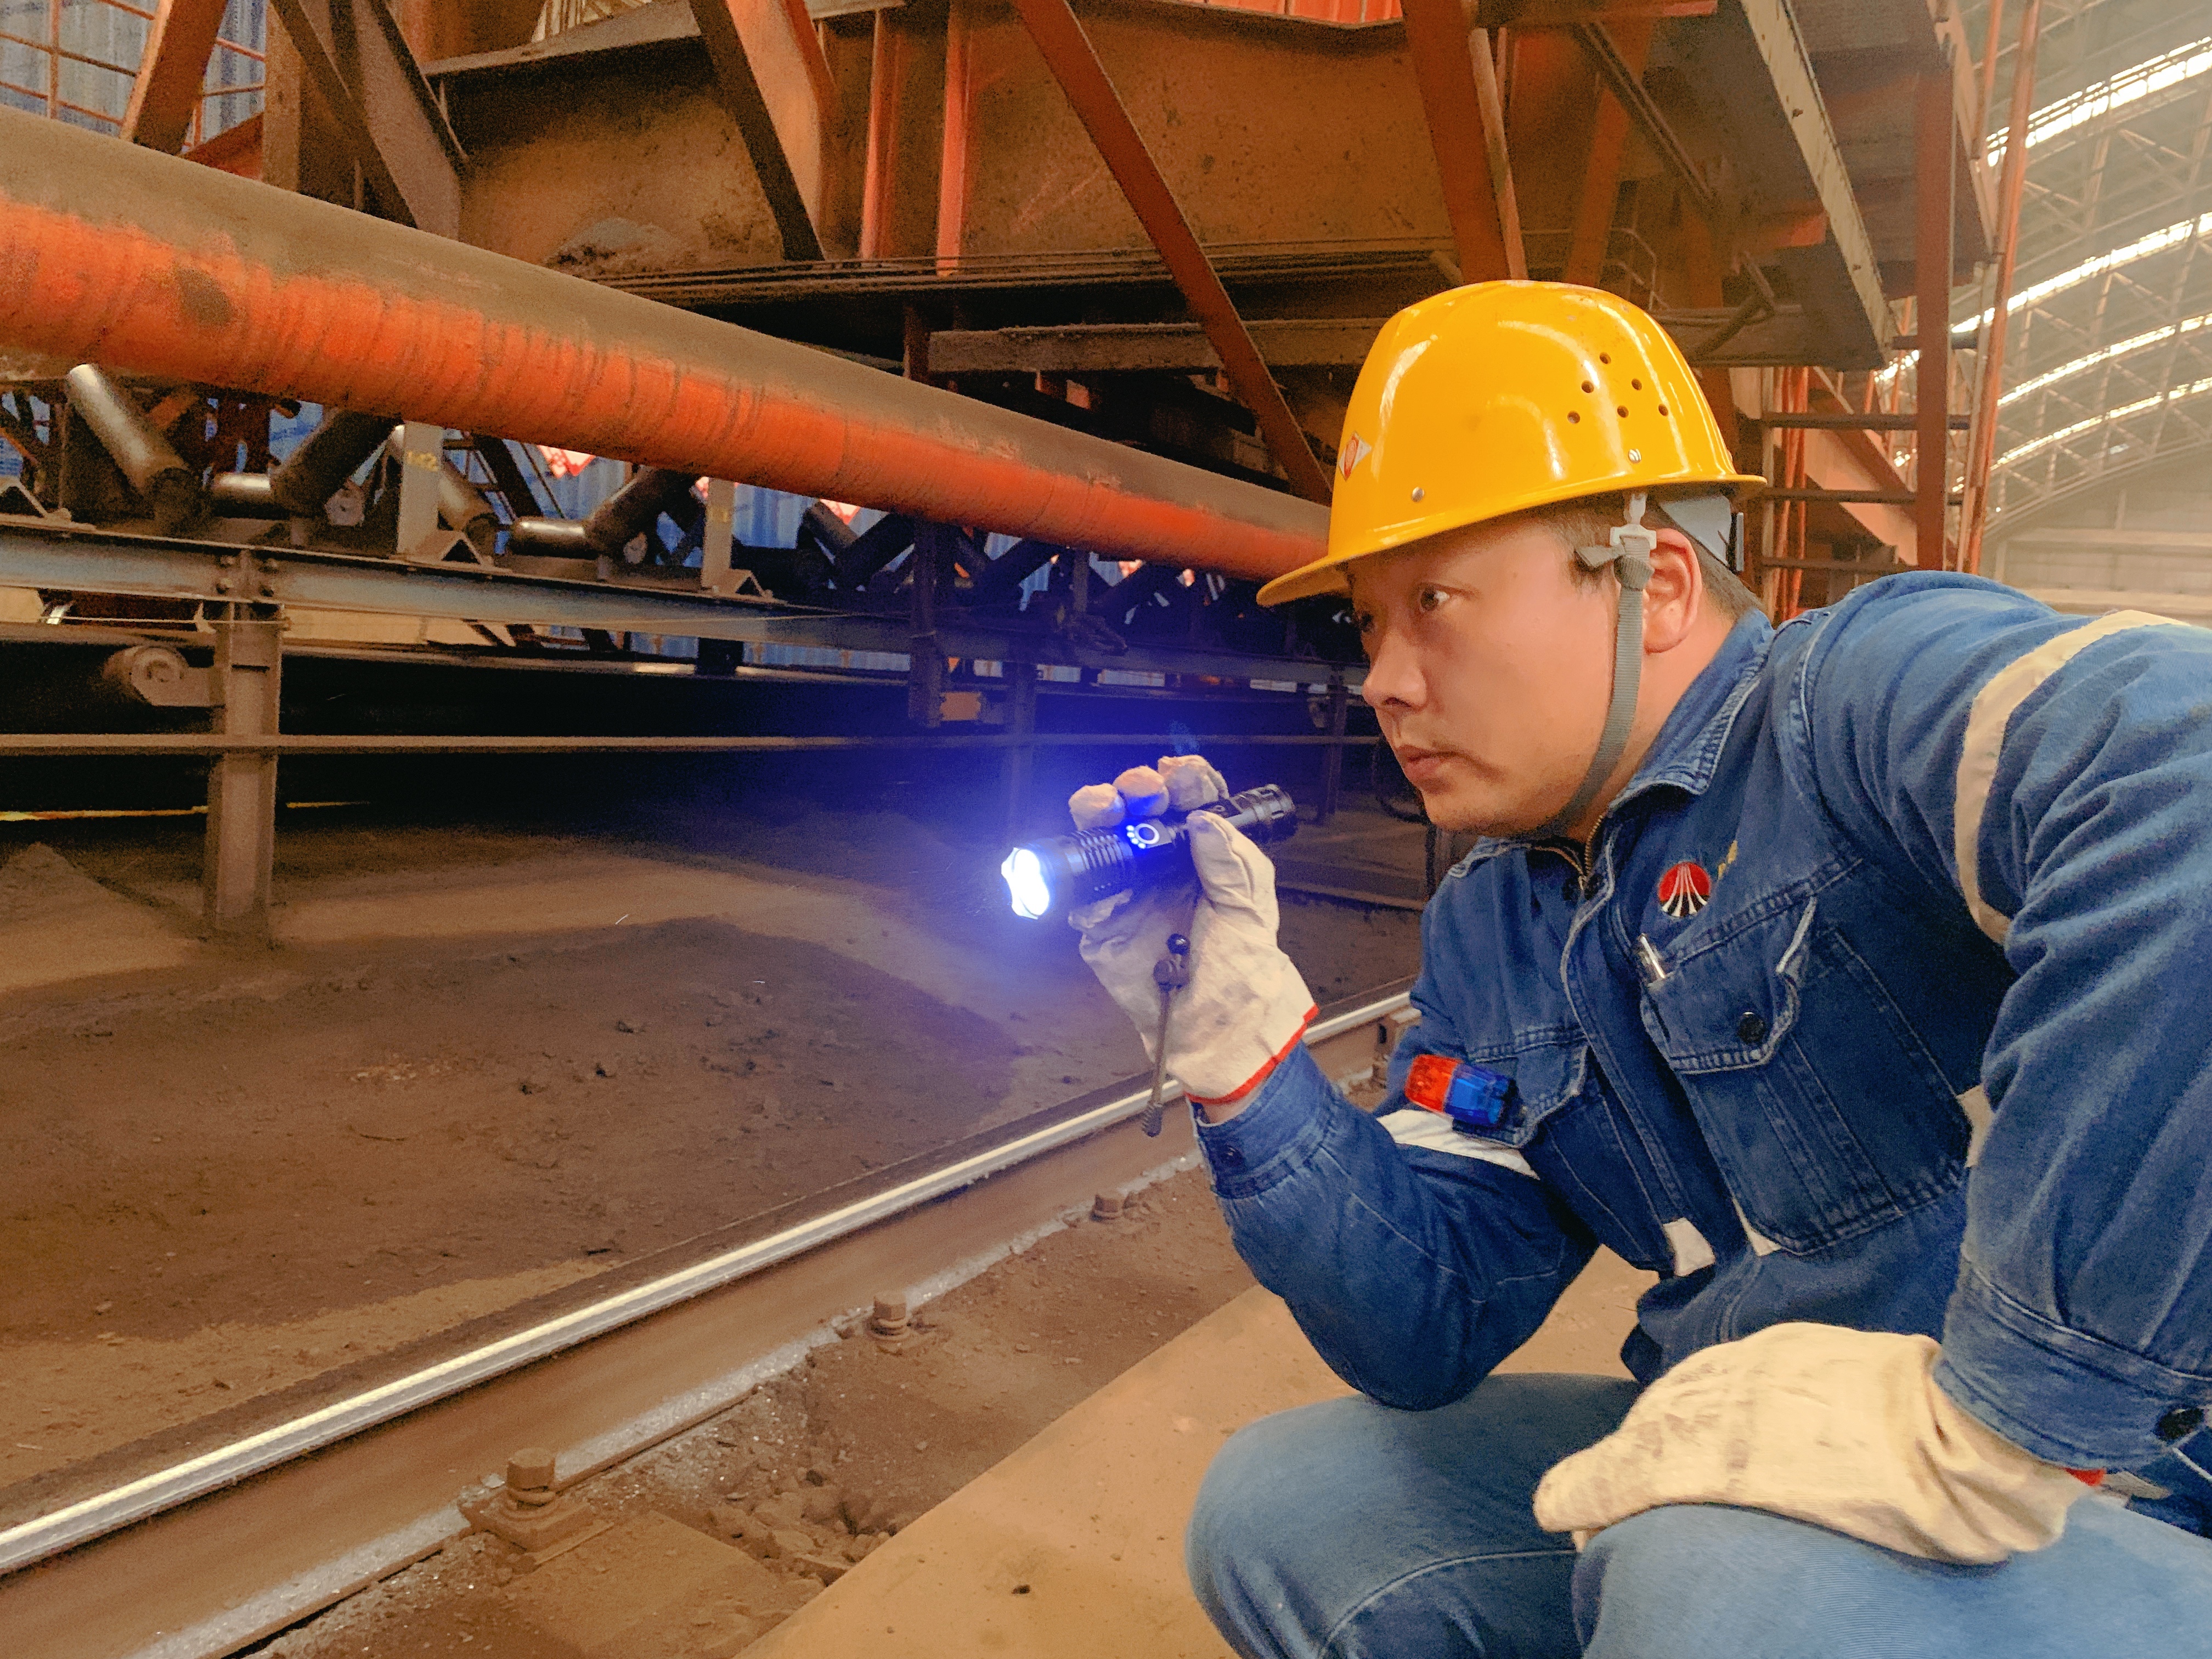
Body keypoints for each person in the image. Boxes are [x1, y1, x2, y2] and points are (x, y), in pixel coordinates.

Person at [1063, 283, 2212, 1657]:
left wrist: (2009, 1415)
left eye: (1433, 601)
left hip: (2110, 1494)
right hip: (1748, 1460)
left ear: (1653, 586)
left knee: (1714, 1587)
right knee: (1290, 1509)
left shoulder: (1848, 707)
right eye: (1368, 623)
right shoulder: (1496, 921)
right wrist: (1242, 1054)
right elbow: (1425, 1320)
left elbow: (2185, 783)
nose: (1383, 677)